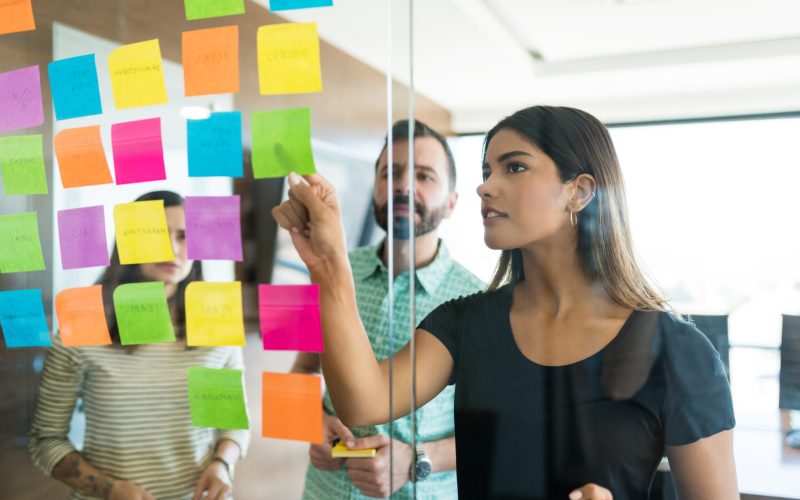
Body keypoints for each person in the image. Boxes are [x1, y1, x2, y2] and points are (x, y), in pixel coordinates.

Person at [272, 106, 739, 500]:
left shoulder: (681, 353)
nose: (486, 186)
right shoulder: (464, 321)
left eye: (513, 167)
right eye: (487, 171)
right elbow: (361, 400)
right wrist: (328, 267)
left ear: (578, 192)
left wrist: (418, 460)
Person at [291, 120, 483, 499]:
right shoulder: (328, 270)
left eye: (424, 176)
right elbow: (300, 370)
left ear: (451, 203)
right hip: (327, 489)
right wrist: (311, 421)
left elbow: (497, 428)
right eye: (390, 173)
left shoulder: (478, 299)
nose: (403, 185)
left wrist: (417, 459)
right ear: (376, 188)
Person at [29, 191, 249, 500]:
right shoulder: (81, 327)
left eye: (185, 236)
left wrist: (222, 464)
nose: (172, 248)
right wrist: (110, 489)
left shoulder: (217, 324)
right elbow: (46, 439)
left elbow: (232, 424)